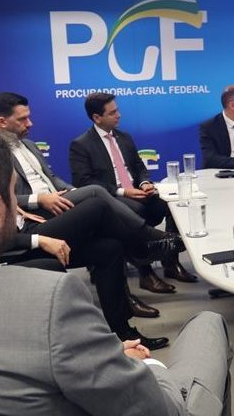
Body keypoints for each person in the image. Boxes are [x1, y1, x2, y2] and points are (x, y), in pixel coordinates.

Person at [0, 114, 234, 416]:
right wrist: (148, 367)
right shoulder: (49, 301)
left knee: (107, 246)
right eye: (12, 196)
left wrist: (104, 353)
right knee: (208, 325)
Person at [0, 91, 177, 333]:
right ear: (2, 122)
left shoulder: (29, 145)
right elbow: (0, 198)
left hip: (58, 206)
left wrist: (74, 193)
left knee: (110, 247)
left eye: (29, 117)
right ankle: (149, 242)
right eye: (22, 119)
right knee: (97, 196)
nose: (30, 123)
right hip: (32, 223)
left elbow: (52, 178)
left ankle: (123, 333)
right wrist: (39, 199)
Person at [70, 92, 198, 292]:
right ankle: (146, 273)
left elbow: (138, 167)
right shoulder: (81, 145)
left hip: (138, 192)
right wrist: (123, 192)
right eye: (112, 113)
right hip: (112, 198)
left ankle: (171, 262)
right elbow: (84, 182)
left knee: (170, 205)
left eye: (117, 110)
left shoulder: (124, 137)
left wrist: (145, 182)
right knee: (134, 211)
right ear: (97, 117)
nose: (119, 115)